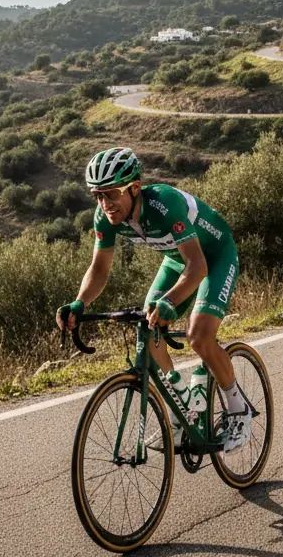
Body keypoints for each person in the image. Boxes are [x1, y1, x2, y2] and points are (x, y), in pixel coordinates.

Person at [55, 147, 252, 451]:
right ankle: (182, 408)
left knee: (199, 337)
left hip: (214, 256)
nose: (104, 204)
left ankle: (239, 410)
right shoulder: (105, 217)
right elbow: (99, 269)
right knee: (147, 327)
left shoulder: (164, 204)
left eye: (111, 194)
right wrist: (80, 303)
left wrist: (171, 301)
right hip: (178, 259)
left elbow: (198, 267)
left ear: (134, 188)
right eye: (97, 196)